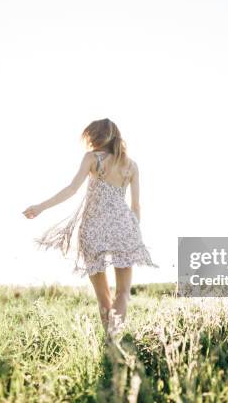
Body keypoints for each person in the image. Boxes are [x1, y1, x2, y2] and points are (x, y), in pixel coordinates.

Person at [23, 118, 158, 335]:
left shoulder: (92, 158)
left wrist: (41, 207)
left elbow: (71, 190)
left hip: (93, 227)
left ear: (96, 136)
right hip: (123, 227)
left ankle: (109, 341)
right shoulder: (131, 166)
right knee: (123, 292)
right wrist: (134, 233)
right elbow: (135, 206)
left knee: (103, 295)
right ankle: (115, 340)